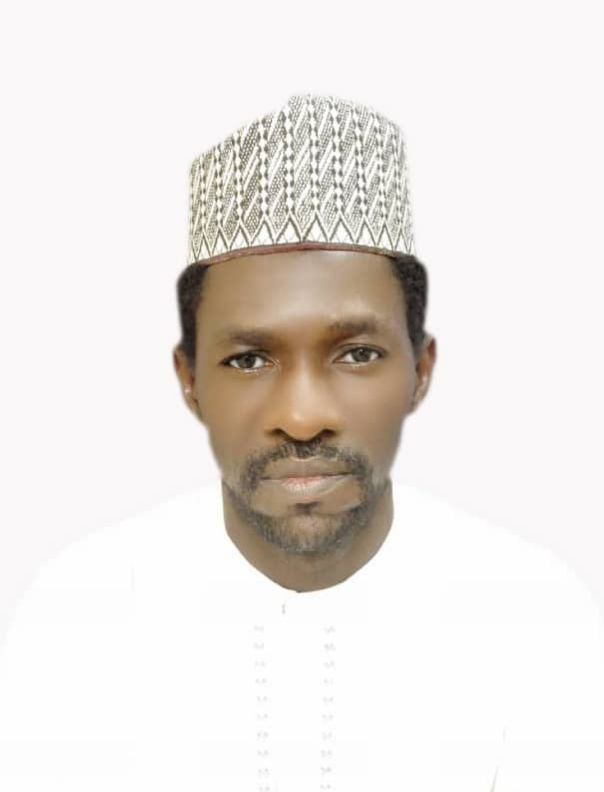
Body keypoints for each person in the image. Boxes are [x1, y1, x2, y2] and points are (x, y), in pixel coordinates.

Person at [0, 93, 603, 791]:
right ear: (189, 380)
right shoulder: (77, 619)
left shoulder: (535, 621)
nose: (303, 416)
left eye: (356, 354)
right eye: (249, 360)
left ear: (421, 370)